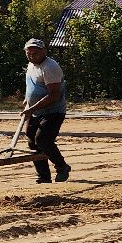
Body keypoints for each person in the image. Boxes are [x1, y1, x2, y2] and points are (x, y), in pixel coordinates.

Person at [21, 38, 70, 183]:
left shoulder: (50, 67)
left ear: (44, 52)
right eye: (29, 53)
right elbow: (32, 85)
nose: (32, 56)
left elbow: (54, 95)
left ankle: (62, 167)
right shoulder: (31, 65)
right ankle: (43, 176)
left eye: (35, 53)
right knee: (32, 142)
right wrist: (27, 100)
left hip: (53, 111)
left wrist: (33, 107)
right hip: (35, 111)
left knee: (42, 139)